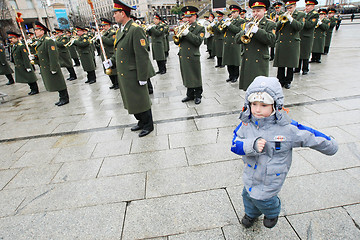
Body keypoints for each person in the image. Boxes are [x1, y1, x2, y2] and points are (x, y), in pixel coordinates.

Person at [231, 76, 338, 229]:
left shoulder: (286, 128)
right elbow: (235, 143)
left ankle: (272, 212)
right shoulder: (246, 124)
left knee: (264, 198)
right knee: (247, 195)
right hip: (250, 172)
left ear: (275, 105)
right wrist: (251, 145)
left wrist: (330, 145)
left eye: (263, 104)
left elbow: (309, 135)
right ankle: (251, 213)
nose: (257, 109)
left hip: (272, 176)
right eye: (254, 104)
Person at [103, 0, 155, 137]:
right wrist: (111, 62)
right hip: (124, 73)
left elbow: (142, 55)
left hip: (134, 73)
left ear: (123, 13)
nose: (113, 16)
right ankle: (141, 121)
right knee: (132, 100)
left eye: (115, 13)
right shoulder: (122, 30)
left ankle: (148, 124)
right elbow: (120, 52)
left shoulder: (135, 29)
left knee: (141, 99)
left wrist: (143, 77)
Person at [235, 0, 276, 91]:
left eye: (258, 11)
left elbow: (272, 40)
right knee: (248, 88)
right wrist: (245, 31)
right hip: (248, 60)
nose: (255, 14)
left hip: (260, 60)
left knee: (260, 89)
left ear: (264, 11)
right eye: (253, 11)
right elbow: (237, 40)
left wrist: (257, 31)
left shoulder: (270, 24)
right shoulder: (247, 23)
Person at [33, 21, 69, 106]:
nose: (35, 32)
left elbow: (53, 55)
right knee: (55, 82)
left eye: (37, 30)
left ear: (42, 31)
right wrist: (35, 57)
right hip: (45, 65)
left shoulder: (48, 41)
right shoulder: (40, 41)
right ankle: (61, 98)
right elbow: (42, 54)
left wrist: (54, 67)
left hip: (51, 65)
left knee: (59, 82)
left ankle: (65, 98)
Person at [175, 6, 205, 105]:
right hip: (183, 55)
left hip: (193, 55)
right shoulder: (183, 27)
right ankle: (190, 94)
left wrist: (187, 33)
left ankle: (198, 95)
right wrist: (179, 34)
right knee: (187, 75)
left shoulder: (200, 28)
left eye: (190, 17)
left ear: (195, 16)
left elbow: (198, 41)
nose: (187, 19)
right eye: (186, 17)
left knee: (195, 75)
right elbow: (176, 42)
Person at [273, 0, 305, 89]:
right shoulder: (282, 15)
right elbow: (276, 27)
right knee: (281, 63)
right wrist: (281, 21)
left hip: (292, 42)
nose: (289, 10)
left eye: (290, 8)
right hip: (282, 41)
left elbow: (299, 27)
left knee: (290, 63)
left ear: (295, 6)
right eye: (287, 8)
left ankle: (288, 81)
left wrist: (291, 19)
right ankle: (280, 80)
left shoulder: (300, 15)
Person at [295, 0, 319, 75]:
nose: (307, 7)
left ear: (313, 6)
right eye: (306, 6)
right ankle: (297, 68)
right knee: (299, 52)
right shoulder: (305, 14)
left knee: (305, 53)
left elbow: (309, 25)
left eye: (308, 6)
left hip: (307, 37)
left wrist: (302, 19)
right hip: (300, 35)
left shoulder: (314, 15)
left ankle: (305, 69)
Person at [222, 5, 245, 83]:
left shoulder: (241, 21)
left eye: (234, 12)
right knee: (228, 60)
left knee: (235, 61)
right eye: (232, 12)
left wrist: (230, 25)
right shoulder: (230, 21)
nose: (232, 14)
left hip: (235, 43)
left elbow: (238, 30)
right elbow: (222, 31)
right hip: (227, 43)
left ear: (238, 12)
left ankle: (235, 76)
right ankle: (230, 75)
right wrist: (224, 25)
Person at [99, 17, 119, 90]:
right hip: (105, 53)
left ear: (109, 25)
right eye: (102, 26)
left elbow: (111, 42)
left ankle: (117, 83)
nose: (103, 27)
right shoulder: (104, 33)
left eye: (105, 26)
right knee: (108, 68)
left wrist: (102, 38)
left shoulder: (112, 32)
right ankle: (113, 83)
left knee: (114, 69)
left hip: (111, 53)